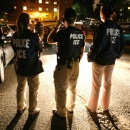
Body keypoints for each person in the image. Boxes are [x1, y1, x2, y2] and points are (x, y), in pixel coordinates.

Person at [86, 5, 124, 117]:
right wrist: (116, 55)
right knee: (107, 84)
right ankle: (105, 107)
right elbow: (121, 45)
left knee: (96, 84)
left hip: (100, 60)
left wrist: (91, 56)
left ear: (102, 14)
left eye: (100, 12)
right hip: (111, 60)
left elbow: (97, 45)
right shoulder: (118, 28)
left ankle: (92, 107)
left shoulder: (102, 27)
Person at [47, 8, 85, 119]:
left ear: (64, 20)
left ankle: (61, 113)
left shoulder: (62, 33)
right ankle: (70, 108)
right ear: (76, 19)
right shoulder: (80, 33)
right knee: (72, 88)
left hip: (64, 65)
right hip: (76, 63)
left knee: (61, 89)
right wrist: (76, 62)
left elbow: (49, 40)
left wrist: (57, 26)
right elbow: (81, 51)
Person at [11, 13, 44, 117]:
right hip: (32, 67)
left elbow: (14, 48)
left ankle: (20, 107)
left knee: (20, 87)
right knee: (33, 89)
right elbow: (40, 48)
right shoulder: (32, 35)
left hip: (19, 65)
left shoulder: (15, 35)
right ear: (28, 22)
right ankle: (32, 110)